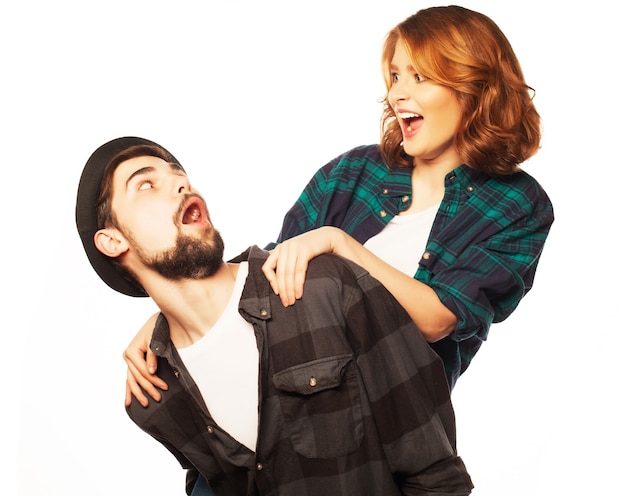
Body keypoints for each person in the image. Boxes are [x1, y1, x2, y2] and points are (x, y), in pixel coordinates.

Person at [123, 5, 554, 403]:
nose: (398, 93)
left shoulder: (519, 205)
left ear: (474, 87)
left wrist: (339, 244)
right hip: (278, 399)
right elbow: (269, 273)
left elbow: (440, 318)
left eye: (419, 77)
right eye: (396, 75)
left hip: (386, 430)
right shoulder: (354, 172)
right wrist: (173, 318)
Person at [75, 136, 474, 495]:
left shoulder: (326, 286)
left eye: (179, 174)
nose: (182, 183)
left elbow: (436, 477)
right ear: (112, 241)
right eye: (147, 184)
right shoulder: (153, 393)